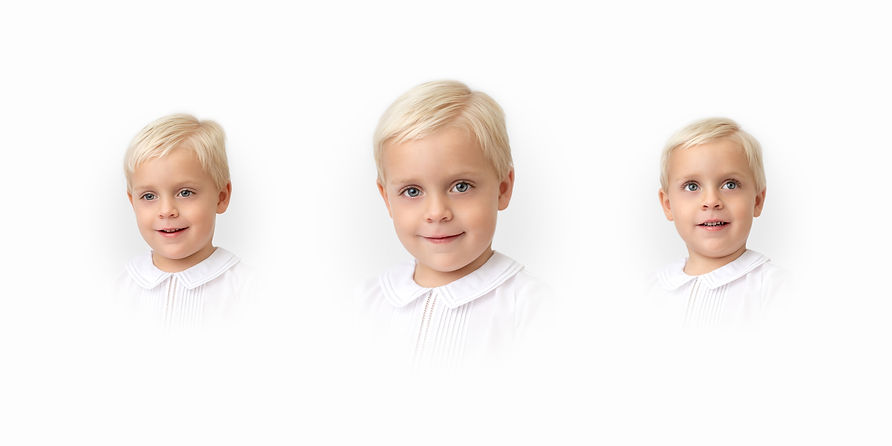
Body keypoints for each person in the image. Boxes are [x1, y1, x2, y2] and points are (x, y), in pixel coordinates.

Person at [356, 80, 545, 365]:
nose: (437, 213)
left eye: (461, 186)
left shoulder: (530, 308)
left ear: (503, 189)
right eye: (412, 191)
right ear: (387, 199)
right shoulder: (365, 304)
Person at [118, 113, 249, 327]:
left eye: (185, 193)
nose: (166, 211)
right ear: (133, 202)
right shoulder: (123, 287)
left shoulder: (243, 288)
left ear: (221, 197)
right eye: (149, 196)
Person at [651, 117, 784, 327]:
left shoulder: (775, 289)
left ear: (757, 201)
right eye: (692, 186)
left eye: (730, 185)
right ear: (668, 205)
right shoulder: (650, 291)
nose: (711, 201)